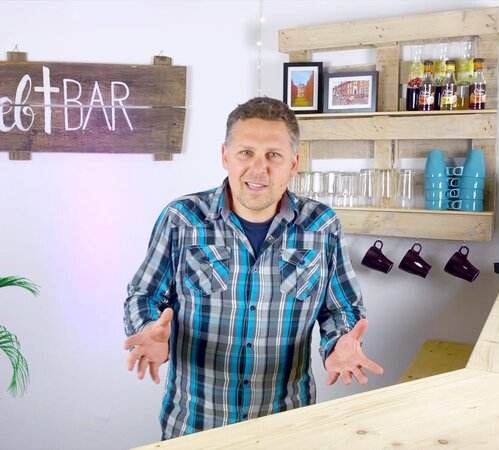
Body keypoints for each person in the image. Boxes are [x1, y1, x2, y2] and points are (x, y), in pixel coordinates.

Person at [123, 97, 383, 440]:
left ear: (294, 163)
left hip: (287, 428)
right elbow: (144, 294)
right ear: (225, 156)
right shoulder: (181, 219)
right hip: (194, 426)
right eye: (246, 152)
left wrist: (338, 342)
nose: (258, 169)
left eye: (273, 155)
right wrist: (149, 328)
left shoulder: (322, 225)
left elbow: (340, 308)